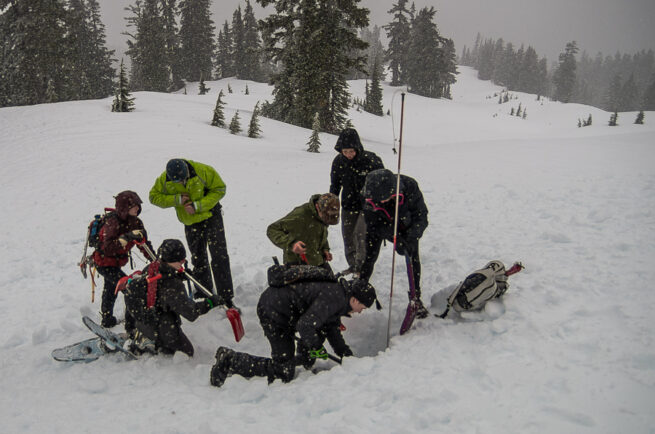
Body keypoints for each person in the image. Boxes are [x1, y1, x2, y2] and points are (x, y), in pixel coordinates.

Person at [209, 278, 378, 387]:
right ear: (355, 300)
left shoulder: (340, 296)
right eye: (362, 307)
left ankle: (303, 359)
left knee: (318, 331)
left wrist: (346, 357)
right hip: (273, 312)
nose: (361, 312)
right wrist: (317, 347)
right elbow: (305, 326)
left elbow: (331, 329)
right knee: (283, 371)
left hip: (287, 311)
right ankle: (230, 359)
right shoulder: (334, 298)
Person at [149, 158, 235, 307]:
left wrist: (198, 205)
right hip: (190, 222)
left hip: (211, 217)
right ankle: (204, 291)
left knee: (219, 255)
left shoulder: (203, 171)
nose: (181, 184)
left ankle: (225, 296)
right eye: (178, 182)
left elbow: (220, 189)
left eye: (183, 180)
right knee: (198, 256)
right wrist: (177, 199)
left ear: (187, 171)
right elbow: (154, 197)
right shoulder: (164, 179)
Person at [123, 239, 221, 356]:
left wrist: (177, 274)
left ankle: (141, 332)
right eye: (181, 260)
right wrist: (210, 303)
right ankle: (150, 342)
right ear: (172, 260)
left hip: (141, 317)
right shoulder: (172, 285)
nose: (183, 262)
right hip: (157, 324)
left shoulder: (153, 267)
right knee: (187, 352)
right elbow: (191, 312)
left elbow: (160, 287)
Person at [360, 168, 430, 318]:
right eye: (380, 200)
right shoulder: (368, 194)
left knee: (412, 257)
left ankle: (415, 298)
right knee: (369, 258)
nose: (382, 201)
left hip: (407, 227)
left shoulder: (409, 186)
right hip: (381, 226)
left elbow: (421, 216)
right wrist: (394, 237)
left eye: (385, 198)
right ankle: (359, 290)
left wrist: (410, 237)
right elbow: (373, 225)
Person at [92, 190, 153, 328]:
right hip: (104, 263)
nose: (137, 208)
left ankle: (107, 320)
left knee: (111, 288)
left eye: (138, 205)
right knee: (131, 289)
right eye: (134, 206)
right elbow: (107, 247)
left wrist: (154, 260)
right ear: (124, 208)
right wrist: (127, 238)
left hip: (116, 263)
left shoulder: (136, 222)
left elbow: (144, 244)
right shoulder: (112, 222)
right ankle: (132, 325)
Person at [329, 128, 384, 276]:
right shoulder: (338, 162)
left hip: (368, 206)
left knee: (361, 235)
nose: (348, 155)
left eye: (351, 151)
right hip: (348, 205)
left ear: (357, 148)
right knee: (348, 237)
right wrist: (331, 202)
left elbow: (383, 181)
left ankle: (361, 268)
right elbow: (335, 185)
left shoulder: (371, 160)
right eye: (345, 151)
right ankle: (353, 265)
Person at [266, 193, 340, 267]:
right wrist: (292, 244)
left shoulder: (322, 215)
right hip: (297, 265)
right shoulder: (300, 216)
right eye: (325, 217)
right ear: (317, 207)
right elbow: (272, 229)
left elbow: (319, 235)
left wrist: (325, 249)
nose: (326, 220)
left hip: (318, 262)